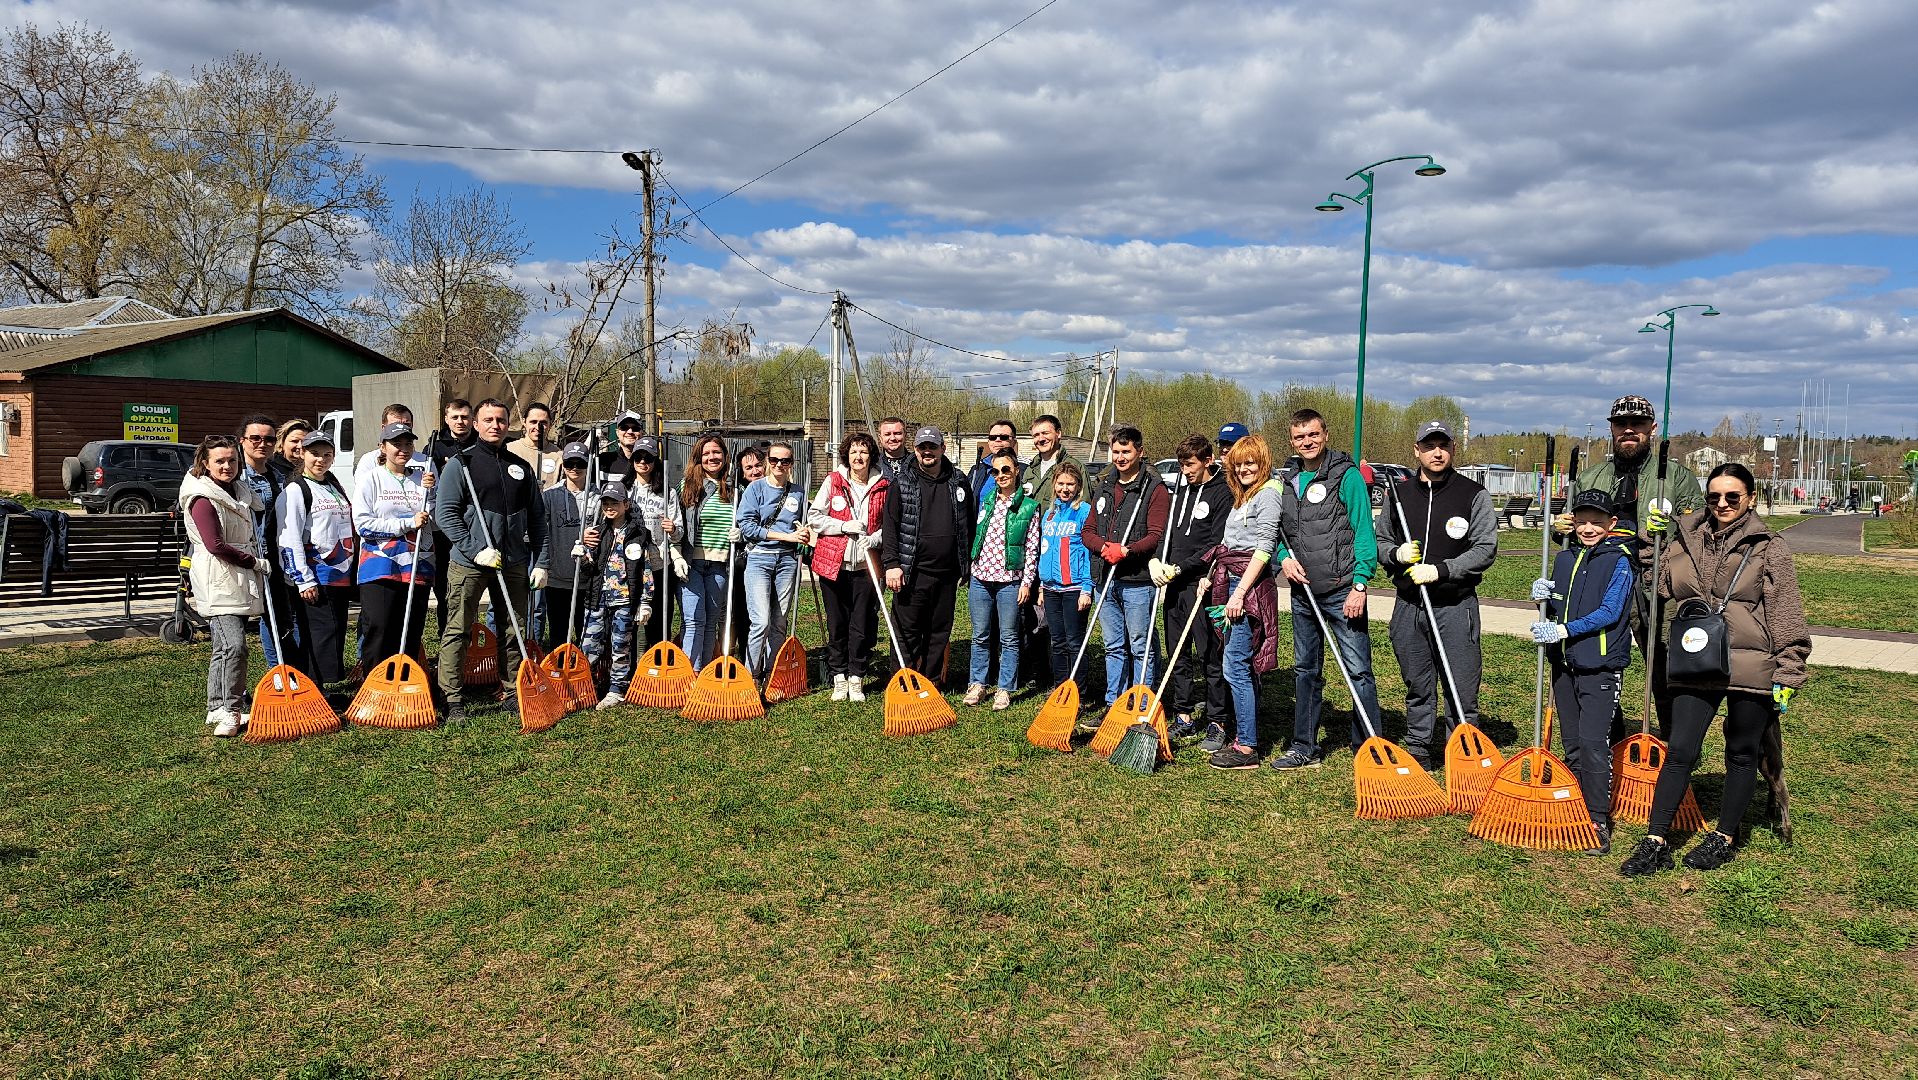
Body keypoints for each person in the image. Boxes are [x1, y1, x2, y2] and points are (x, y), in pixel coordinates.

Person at [1621, 463, 1812, 877]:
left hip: (1751, 663)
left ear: (1751, 498)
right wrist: (1651, 543)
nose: (1722, 504)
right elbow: (1660, 586)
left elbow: (1786, 612)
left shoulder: (1768, 545)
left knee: (1742, 753)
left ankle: (1724, 837)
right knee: (1681, 750)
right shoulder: (1687, 536)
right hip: (1696, 658)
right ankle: (1656, 840)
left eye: (1732, 497)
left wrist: (1788, 668)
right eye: (1714, 497)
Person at [1559, 394, 1706, 743]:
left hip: (1656, 585)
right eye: (1621, 424)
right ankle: (1606, 739)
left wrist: (1672, 525)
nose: (1629, 430)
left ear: (1651, 429)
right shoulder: (1591, 477)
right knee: (1599, 660)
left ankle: (1675, 751)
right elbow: (1575, 532)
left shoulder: (1677, 478)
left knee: (1667, 670)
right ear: (1611, 428)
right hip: (1602, 582)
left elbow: (1701, 535)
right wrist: (1560, 529)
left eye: (1637, 424)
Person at [1373, 421, 1499, 769]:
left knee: (1461, 687)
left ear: (1452, 449)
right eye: (1429, 446)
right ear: (1417, 450)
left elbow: (1485, 547)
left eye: (1443, 445)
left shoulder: (1472, 494)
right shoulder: (1400, 494)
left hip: (1454, 605)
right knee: (1417, 684)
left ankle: (1463, 751)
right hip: (1409, 606)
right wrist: (1396, 554)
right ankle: (1419, 747)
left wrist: (1442, 570)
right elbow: (1381, 541)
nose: (1437, 452)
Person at [1267, 408, 1381, 770]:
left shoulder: (1345, 477)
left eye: (1313, 435)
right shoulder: (1288, 482)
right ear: (1292, 441)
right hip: (1302, 595)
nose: (1307, 442)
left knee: (1358, 670)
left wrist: (1360, 584)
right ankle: (1304, 744)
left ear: (1326, 435)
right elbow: (1279, 533)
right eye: (1300, 437)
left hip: (1342, 591)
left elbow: (1364, 534)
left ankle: (1369, 746)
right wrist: (1283, 559)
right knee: (1305, 670)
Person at [1530, 489, 1637, 855]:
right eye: (1582, 521)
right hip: (1564, 664)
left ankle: (1598, 819)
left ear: (1611, 524)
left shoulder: (1619, 561)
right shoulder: (1564, 559)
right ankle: (1576, 806)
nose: (1588, 528)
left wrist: (1564, 630)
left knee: (1593, 743)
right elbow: (1558, 606)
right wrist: (1544, 598)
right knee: (1572, 741)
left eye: (1597, 522)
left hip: (1600, 666)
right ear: (1573, 522)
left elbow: (1609, 612)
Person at [434, 398, 549, 723]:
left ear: (508, 423)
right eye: (488, 420)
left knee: (514, 627)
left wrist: (541, 561)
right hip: (469, 563)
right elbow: (446, 514)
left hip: (512, 561)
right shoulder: (462, 464)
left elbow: (537, 518)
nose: (495, 425)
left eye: (500, 420)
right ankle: (452, 698)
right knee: (459, 629)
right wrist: (475, 548)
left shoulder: (519, 467)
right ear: (476, 424)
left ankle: (512, 691)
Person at [1205, 435, 1285, 770]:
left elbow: (1264, 548)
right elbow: (1227, 543)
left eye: (1250, 463)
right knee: (1240, 662)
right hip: (1229, 577)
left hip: (1248, 586)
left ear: (1263, 463)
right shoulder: (1242, 498)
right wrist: (1208, 576)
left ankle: (1247, 746)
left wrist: (1238, 594)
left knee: (1234, 664)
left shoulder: (1268, 495)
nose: (1243, 469)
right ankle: (1246, 737)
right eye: (1238, 464)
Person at [179, 434, 268, 737]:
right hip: (219, 575)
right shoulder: (203, 499)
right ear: (205, 463)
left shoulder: (236, 490)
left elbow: (254, 506)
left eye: (232, 460)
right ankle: (233, 708)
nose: (227, 466)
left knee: (223, 646)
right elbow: (215, 545)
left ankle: (216, 704)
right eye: (219, 461)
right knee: (234, 645)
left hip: (236, 576)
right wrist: (254, 562)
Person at [1079, 425, 1170, 713]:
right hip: (1106, 579)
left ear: (1140, 452)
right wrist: (1104, 548)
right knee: (1113, 646)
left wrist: (1127, 550)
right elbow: (1088, 530)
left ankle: (1142, 703)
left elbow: (1156, 534)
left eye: (1126, 451)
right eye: (1116, 451)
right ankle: (1113, 703)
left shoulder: (1153, 489)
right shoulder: (1105, 485)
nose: (1120, 457)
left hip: (1138, 582)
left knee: (1140, 646)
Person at [1152, 434, 1232, 743]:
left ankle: (1217, 721)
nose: (1185, 470)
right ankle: (1183, 713)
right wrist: (1159, 561)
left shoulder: (1220, 492)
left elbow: (1216, 543)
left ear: (1207, 461)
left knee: (1210, 655)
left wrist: (1183, 567)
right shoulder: (1180, 492)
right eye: (1182, 465)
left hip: (1202, 584)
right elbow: (1168, 532)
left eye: (1190, 464)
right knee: (1177, 653)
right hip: (1174, 586)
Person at [881, 425, 975, 683]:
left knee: (939, 632)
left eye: (932, 447)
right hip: (912, 572)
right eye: (922, 447)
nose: (927, 452)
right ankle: (904, 682)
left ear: (942, 449)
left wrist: (965, 563)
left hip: (947, 574)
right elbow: (890, 526)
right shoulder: (902, 483)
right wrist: (892, 564)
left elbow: (970, 523)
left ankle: (931, 683)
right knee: (907, 633)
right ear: (915, 450)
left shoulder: (959, 481)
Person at [809, 431, 889, 702]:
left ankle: (856, 676)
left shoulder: (883, 485)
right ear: (846, 455)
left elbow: (889, 526)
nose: (858, 456)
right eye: (854, 451)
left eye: (864, 452)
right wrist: (843, 526)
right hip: (834, 564)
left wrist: (873, 538)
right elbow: (814, 517)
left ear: (871, 456)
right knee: (837, 624)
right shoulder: (834, 482)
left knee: (861, 624)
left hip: (866, 566)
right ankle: (839, 677)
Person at [963, 447, 1041, 711]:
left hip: (1010, 580)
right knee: (980, 634)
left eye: (1006, 469)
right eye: (995, 471)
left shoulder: (1029, 507)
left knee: (1009, 637)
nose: (1000, 475)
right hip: (981, 578)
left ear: (1017, 470)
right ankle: (978, 683)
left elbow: (1032, 548)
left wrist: (1027, 582)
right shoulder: (987, 501)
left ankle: (1005, 688)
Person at [277, 430, 356, 686]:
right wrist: (304, 580)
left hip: (339, 575)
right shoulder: (296, 490)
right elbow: (289, 538)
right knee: (320, 635)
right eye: (314, 454)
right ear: (302, 454)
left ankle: (320, 687)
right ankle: (313, 689)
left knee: (333, 633)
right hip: (317, 575)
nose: (320, 459)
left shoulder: (332, 484)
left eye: (326, 454)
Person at [353, 422, 435, 668]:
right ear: (382, 447)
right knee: (380, 628)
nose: (403, 449)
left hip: (417, 566)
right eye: (396, 444)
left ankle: (405, 689)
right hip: (380, 566)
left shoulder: (424, 479)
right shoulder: (370, 479)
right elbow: (363, 525)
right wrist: (407, 523)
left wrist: (433, 492)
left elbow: (436, 518)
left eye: (408, 443)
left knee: (409, 633)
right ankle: (374, 690)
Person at [737, 441, 811, 680]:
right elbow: (747, 526)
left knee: (779, 622)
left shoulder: (799, 492)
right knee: (761, 621)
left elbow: (805, 524)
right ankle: (751, 676)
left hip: (788, 561)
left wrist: (805, 534)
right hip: (759, 559)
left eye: (785, 461)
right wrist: (785, 536)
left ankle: (773, 673)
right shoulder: (755, 489)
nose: (779, 464)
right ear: (768, 461)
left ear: (792, 464)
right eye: (774, 460)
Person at [579, 481, 655, 708]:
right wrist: (582, 556)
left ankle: (617, 689)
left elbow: (646, 568)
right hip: (597, 598)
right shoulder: (598, 532)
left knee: (620, 646)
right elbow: (588, 569)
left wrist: (645, 601)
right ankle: (586, 685)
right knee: (589, 644)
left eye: (615, 502)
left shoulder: (638, 534)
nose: (610, 507)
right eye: (606, 503)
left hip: (624, 599)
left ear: (626, 504)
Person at [668, 433, 734, 668]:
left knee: (710, 622)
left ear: (725, 456)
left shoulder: (734, 490)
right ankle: (690, 674)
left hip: (719, 565)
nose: (712, 457)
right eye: (706, 453)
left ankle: (705, 673)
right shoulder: (687, 487)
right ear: (698, 458)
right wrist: (676, 555)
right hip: (691, 564)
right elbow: (675, 524)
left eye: (716, 452)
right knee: (694, 619)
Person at [1020, 413, 1074, 687]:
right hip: (1033, 553)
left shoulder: (1070, 467)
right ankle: (1037, 672)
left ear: (1058, 434)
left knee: (1061, 622)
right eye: (1036, 434)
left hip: (1061, 555)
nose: (1041, 439)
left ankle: (1063, 676)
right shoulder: (1029, 470)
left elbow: (1082, 515)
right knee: (1033, 616)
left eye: (1046, 433)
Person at [237, 414, 291, 667]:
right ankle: (235, 686)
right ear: (242, 440)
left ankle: (277, 672)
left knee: (275, 615)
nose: (262, 444)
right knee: (237, 623)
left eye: (269, 439)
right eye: (255, 438)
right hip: (243, 555)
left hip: (274, 556)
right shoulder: (235, 477)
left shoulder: (279, 476)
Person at [1036, 459, 1094, 685]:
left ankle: (1077, 690)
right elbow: (1045, 550)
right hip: (1051, 588)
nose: (1065, 489)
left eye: (1070, 484)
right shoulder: (1049, 514)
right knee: (1057, 641)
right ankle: (1060, 688)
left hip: (1075, 588)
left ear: (1078, 486)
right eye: (1060, 484)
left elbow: (1089, 553)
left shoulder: (1084, 512)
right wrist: (1042, 585)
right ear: (1054, 485)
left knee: (1074, 641)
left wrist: (1086, 589)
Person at [424, 399, 475, 633]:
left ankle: (470, 633)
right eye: (455, 417)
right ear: (446, 419)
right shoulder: (435, 446)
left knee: (472, 585)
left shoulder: (481, 443)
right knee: (446, 585)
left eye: (464, 417)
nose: (460, 422)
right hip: (445, 527)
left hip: (473, 523)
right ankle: (447, 633)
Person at [538, 442, 595, 652]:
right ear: (563, 465)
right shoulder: (550, 495)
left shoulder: (598, 497)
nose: (574, 468)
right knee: (558, 635)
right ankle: (559, 674)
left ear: (588, 465)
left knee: (586, 636)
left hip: (586, 580)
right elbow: (541, 532)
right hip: (557, 578)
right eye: (569, 463)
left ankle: (584, 676)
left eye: (580, 463)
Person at [623, 435, 672, 646]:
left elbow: (677, 531)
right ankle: (630, 667)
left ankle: (658, 661)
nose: (643, 462)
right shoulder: (623, 490)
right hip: (628, 564)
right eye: (638, 458)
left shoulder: (666, 492)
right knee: (629, 616)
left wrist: (674, 528)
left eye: (648, 458)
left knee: (659, 618)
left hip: (658, 564)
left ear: (655, 462)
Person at [353, 404, 425, 482]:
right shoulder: (369, 460)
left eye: (406, 424)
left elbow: (435, 491)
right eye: (394, 425)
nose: (401, 428)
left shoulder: (425, 461)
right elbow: (363, 489)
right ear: (384, 428)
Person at [506, 401, 564, 491]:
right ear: (524, 422)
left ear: (550, 424)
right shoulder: (508, 450)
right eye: (533, 422)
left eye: (543, 423)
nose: (538, 427)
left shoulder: (559, 456)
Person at [967, 419, 1020, 500]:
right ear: (988, 442)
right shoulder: (976, 470)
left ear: (1014, 442)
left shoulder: (1025, 470)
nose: (997, 440)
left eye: (1004, 437)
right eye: (993, 437)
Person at [597, 411, 647, 486]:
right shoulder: (602, 461)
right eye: (624, 428)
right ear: (617, 432)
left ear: (642, 433)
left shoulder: (650, 462)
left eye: (635, 428)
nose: (630, 432)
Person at [270, 418, 308, 485]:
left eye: (305, 442)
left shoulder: (314, 468)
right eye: (294, 441)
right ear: (282, 443)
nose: (300, 446)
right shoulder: (272, 469)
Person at [876, 416, 910, 480]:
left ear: (905, 435)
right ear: (880, 438)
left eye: (897, 433)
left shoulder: (916, 462)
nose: (892, 438)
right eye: (887, 434)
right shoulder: (873, 464)